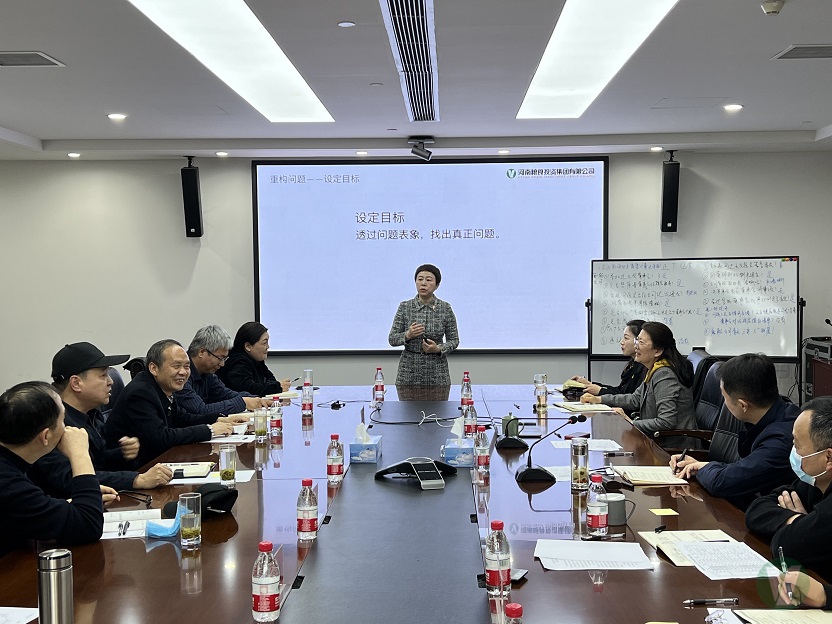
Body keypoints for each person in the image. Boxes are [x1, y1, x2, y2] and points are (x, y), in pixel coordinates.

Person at [33, 342, 173, 495]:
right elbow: (70, 479)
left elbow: (98, 462)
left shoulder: (92, 414)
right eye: (103, 375)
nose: (110, 381)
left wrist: (123, 454)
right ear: (76, 383)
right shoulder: (53, 425)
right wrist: (137, 480)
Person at [670, 353, 798, 510]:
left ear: (743, 405)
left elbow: (722, 483)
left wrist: (705, 469)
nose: (724, 403)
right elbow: (746, 469)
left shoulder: (780, 440)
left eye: (724, 398)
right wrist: (702, 466)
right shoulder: (779, 412)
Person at [0, 381, 104, 557]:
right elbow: (88, 525)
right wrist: (79, 453)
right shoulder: (8, 483)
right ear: (45, 436)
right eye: (63, 420)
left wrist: (67, 506)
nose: (68, 428)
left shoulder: (14, 462)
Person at [103, 339, 235, 466]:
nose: (183, 372)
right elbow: (161, 438)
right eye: (176, 366)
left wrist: (218, 419)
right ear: (154, 368)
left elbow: (183, 419)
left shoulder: (163, 387)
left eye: (187, 366)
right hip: (136, 469)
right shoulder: (139, 393)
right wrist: (210, 430)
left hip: (157, 462)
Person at [746, 396, 832, 580]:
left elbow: (785, 547)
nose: (793, 451)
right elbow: (757, 509)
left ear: (828, 458)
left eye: (797, 445)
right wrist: (799, 521)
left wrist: (800, 527)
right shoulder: (815, 481)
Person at [581, 321, 696, 448]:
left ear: (657, 351)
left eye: (641, 342)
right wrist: (599, 399)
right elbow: (635, 399)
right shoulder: (654, 369)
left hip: (672, 447)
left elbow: (666, 421)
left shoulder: (665, 375)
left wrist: (631, 422)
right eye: (637, 340)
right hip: (655, 440)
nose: (636, 346)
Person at [388, 264, 459, 386]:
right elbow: (392, 339)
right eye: (420, 279)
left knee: (440, 399)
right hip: (408, 371)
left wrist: (438, 349)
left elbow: (454, 340)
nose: (423, 283)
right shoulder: (405, 307)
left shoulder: (445, 308)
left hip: (437, 371)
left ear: (437, 285)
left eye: (429, 280)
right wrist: (408, 335)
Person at [175, 325, 272, 415]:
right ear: (202, 352)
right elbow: (200, 410)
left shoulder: (208, 374)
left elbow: (226, 394)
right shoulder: (181, 375)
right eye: (220, 358)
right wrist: (243, 403)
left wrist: (257, 400)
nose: (222, 364)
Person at [572, 319, 646, 396]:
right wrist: (589, 384)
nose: (621, 342)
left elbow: (631, 399)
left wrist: (600, 391)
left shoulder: (644, 367)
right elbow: (619, 391)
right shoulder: (632, 364)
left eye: (626, 338)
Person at [217, 322, 291, 396]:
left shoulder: (257, 360)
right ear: (248, 346)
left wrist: (275, 386)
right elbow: (249, 390)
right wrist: (277, 387)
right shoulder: (238, 363)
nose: (268, 347)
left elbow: (271, 380)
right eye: (264, 343)